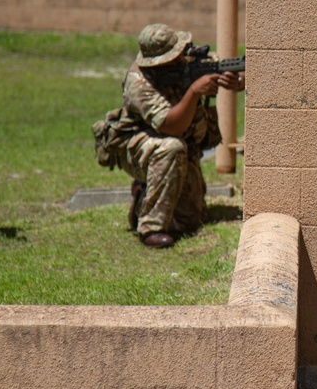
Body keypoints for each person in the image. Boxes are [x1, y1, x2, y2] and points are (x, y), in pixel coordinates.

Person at [104, 23, 243, 249]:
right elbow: (171, 126)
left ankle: (142, 197)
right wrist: (195, 91)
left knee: (191, 220)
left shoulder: (187, 60)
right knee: (171, 146)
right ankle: (151, 227)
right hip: (138, 148)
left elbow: (228, 66)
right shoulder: (139, 83)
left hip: (183, 145)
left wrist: (237, 81)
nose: (181, 59)